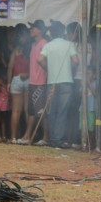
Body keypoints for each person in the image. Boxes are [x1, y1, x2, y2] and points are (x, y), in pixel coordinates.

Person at [38, 21, 78, 149]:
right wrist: (70, 69)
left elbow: (39, 60)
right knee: (62, 112)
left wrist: (48, 68)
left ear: (52, 33)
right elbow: (76, 60)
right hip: (66, 82)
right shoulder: (69, 44)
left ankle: (53, 139)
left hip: (52, 82)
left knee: (52, 112)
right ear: (63, 32)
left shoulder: (48, 46)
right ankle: (58, 139)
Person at [20, 20, 48, 145]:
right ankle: (27, 135)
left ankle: (46, 137)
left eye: (34, 28)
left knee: (40, 111)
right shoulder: (33, 45)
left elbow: (47, 63)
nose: (31, 30)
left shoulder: (44, 44)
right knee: (31, 111)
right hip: (32, 81)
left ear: (41, 30)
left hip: (40, 82)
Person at [7, 25, 30, 144]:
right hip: (29, 79)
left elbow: (10, 67)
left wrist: (8, 82)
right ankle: (27, 136)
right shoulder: (31, 48)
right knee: (27, 110)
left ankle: (13, 137)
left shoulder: (16, 49)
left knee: (15, 111)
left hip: (16, 79)